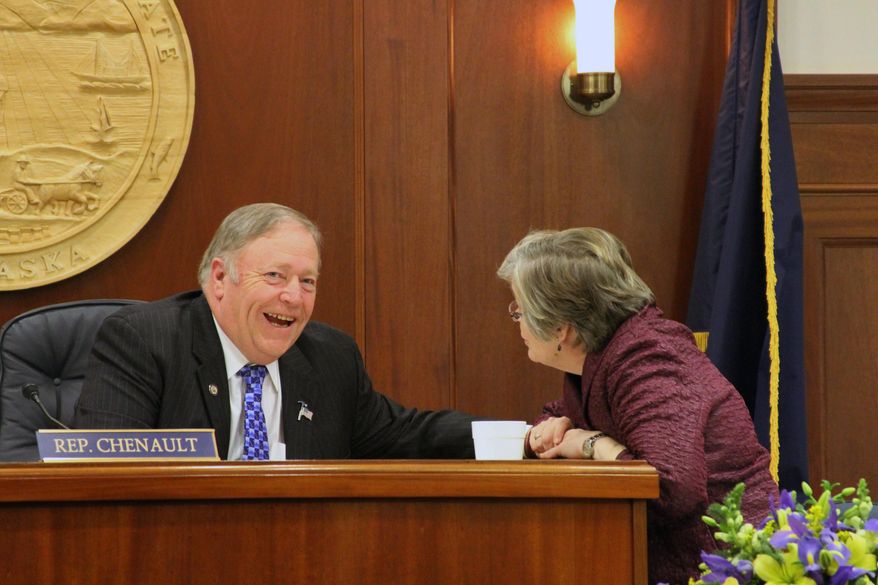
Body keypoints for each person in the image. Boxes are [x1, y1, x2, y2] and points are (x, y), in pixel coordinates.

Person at [74, 203, 478, 460]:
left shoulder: (329, 357)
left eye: (307, 282)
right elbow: (105, 472)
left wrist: (525, 441)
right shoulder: (143, 342)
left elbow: (408, 434)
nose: (293, 297)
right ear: (219, 278)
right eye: (274, 276)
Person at [497, 227, 777, 585]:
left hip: (732, 565)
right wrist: (554, 424)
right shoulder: (605, 355)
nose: (517, 323)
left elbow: (671, 488)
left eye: (519, 311)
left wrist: (592, 444)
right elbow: (577, 412)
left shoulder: (649, 359)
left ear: (561, 328)